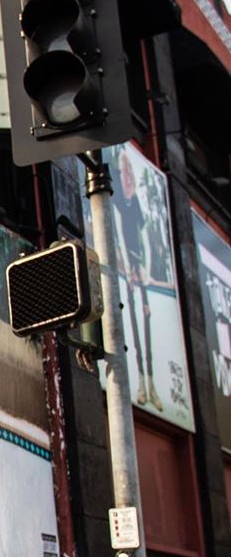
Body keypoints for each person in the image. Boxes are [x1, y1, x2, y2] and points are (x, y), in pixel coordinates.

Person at [115, 150, 163, 411]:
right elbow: (121, 238)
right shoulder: (119, 205)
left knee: (145, 319)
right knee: (133, 324)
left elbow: (143, 238)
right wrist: (129, 271)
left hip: (140, 269)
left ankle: (151, 383)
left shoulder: (137, 207)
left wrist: (145, 267)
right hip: (129, 271)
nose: (129, 180)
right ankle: (142, 385)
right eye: (125, 175)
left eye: (130, 174)